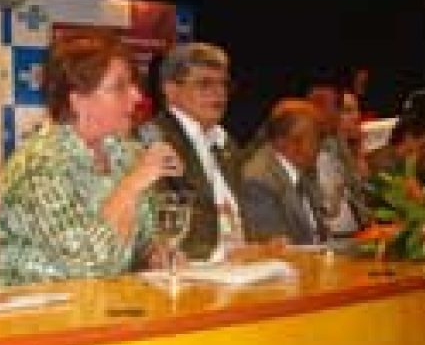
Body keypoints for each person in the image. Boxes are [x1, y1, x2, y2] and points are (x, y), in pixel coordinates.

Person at [0, 31, 182, 286]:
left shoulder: (126, 154)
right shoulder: (39, 166)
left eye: (133, 84)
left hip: (97, 302)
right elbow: (86, 265)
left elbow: (139, 243)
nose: (137, 96)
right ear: (77, 101)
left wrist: (155, 255)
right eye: (119, 87)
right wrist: (131, 184)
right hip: (29, 305)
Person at [139, 42, 246, 260]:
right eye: (205, 84)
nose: (219, 93)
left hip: (237, 266)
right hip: (192, 266)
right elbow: (160, 226)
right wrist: (223, 254)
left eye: (224, 84)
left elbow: (240, 216)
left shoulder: (227, 144)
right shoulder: (153, 139)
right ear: (171, 89)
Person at [239, 98, 329, 245]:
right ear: (292, 143)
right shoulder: (258, 181)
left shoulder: (301, 171)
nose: (320, 147)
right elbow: (274, 246)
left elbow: (320, 232)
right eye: (316, 139)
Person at [307, 80, 369, 237]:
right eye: (344, 110)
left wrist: (358, 152)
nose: (356, 116)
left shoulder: (337, 144)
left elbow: (360, 192)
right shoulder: (308, 150)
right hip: (331, 235)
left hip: (357, 230)